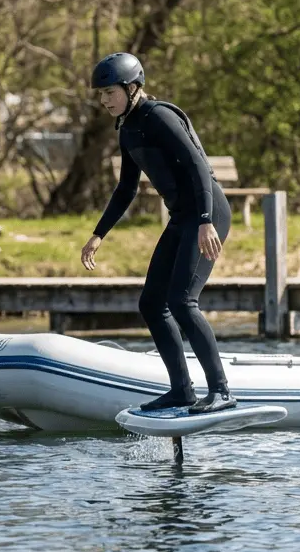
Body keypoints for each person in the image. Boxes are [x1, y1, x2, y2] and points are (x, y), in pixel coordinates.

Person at [79, 52, 235, 413]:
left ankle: (222, 391)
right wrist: (99, 234)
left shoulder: (160, 116)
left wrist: (206, 220)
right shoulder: (128, 128)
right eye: (101, 95)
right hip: (182, 217)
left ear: (132, 88)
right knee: (152, 303)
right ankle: (182, 391)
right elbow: (126, 189)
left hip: (206, 212)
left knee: (182, 300)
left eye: (109, 92)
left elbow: (198, 166)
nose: (104, 101)